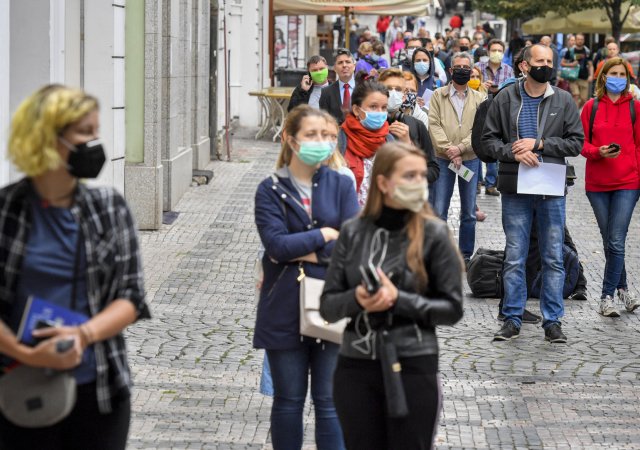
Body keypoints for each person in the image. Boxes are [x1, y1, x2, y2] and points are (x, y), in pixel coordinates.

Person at [0, 84, 150, 449]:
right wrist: (28, 354)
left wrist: (83, 335)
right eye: (84, 133)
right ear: (47, 137)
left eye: (95, 133)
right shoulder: (7, 210)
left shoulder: (109, 208)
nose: (94, 144)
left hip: (99, 389)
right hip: (19, 386)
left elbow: (131, 297)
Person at [320, 142, 464, 450]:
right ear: (383, 182)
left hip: (413, 362)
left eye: (421, 176)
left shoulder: (435, 234)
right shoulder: (353, 231)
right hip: (356, 365)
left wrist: (399, 300)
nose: (419, 184)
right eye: (409, 176)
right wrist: (359, 298)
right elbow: (328, 306)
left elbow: (452, 308)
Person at [254, 105, 359, 450]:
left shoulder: (342, 184)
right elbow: (276, 245)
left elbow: (351, 244)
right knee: (288, 399)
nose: (322, 142)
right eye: (312, 135)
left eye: (328, 136)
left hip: (331, 300)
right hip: (283, 301)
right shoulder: (270, 189)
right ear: (291, 139)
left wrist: (309, 246)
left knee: (330, 402)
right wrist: (324, 236)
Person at [482, 44, 584, 343]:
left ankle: (553, 321)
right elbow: (488, 143)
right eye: (540, 61)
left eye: (549, 61)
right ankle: (512, 318)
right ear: (524, 66)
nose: (546, 65)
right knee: (515, 255)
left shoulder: (563, 99)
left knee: (553, 256)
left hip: (551, 187)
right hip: (515, 186)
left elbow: (575, 143)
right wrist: (514, 152)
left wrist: (539, 145)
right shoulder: (505, 98)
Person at [580, 57, 640, 317]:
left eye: (622, 74)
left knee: (616, 240)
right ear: (603, 77)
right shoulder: (590, 107)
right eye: (613, 73)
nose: (618, 78)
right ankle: (624, 289)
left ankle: (606, 296)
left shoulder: (635, 107)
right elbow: (580, 144)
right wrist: (598, 152)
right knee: (610, 242)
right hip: (597, 184)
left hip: (628, 182)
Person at [428, 52, 485, 264]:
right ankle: (440, 253)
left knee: (469, 212)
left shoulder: (480, 98)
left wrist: (460, 149)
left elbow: (480, 129)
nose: (462, 70)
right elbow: (433, 124)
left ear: (471, 71)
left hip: (470, 159)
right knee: (440, 210)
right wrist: (449, 150)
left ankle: (465, 256)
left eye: (466, 67)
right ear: (451, 70)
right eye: (458, 67)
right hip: (443, 159)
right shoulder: (438, 95)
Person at [338, 71, 405, 206]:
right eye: (373, 107)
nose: (380, 113)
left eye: (384, 107)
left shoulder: (389, 140)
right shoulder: (339, 140)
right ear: (357, 110)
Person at [378, 68, 440, 187]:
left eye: (398, 89)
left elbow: (433, 169)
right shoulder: (368, 124)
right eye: (388, 89)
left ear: (404, 96)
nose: (393, 93)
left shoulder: (417, 125)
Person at [320, 48, 356, 125]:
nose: (344, 65)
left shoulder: (363, 89)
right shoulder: (326, 92)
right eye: (340, 62)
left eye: (348, 62)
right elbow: (324, 120)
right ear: (335, 68)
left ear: (354, 66)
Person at [562, 33, 593, 109]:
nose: (580, 41)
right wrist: (571, 64)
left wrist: (591, 75)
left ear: (584, 40)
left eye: (582, 39)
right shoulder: (570, 51)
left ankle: (577, 109)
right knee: (576, 95)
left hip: (584, 77)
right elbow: (562, 63)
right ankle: (576, 115)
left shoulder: (587, 51)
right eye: (578, 39)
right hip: (573, 77)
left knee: (584, 99)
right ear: (575, 40)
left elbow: (591, 65)